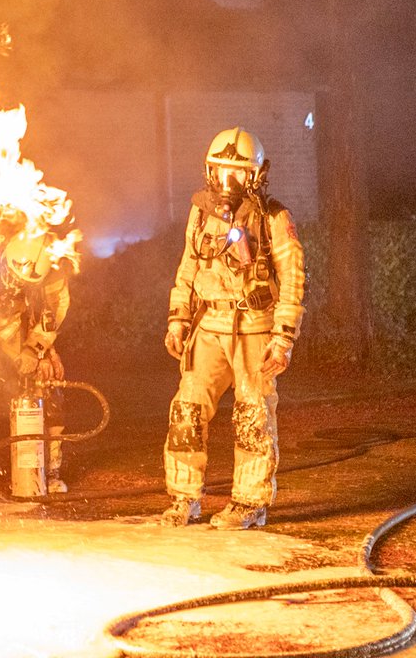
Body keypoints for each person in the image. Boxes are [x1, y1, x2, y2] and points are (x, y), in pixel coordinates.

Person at [160, 126, 305, 530]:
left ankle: (249, 503)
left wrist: (283, 337)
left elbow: (292, 277)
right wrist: (178, 317)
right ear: (209, 171)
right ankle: (183, 498)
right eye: (221, 172)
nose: (228, 182)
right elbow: (188, 266)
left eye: (237, 173)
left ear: (255, 175)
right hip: (208, 325)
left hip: (254, 327)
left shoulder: (274, 218)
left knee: (252, 414)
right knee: (187, 408)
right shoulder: (200, 213)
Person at [0, 213, 74, 498]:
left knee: (47, 383)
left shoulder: (52, 262)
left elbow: (52, 312)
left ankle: (49, 470)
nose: (15, 284)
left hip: (21, 327)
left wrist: (36, 349)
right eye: (11, 276)